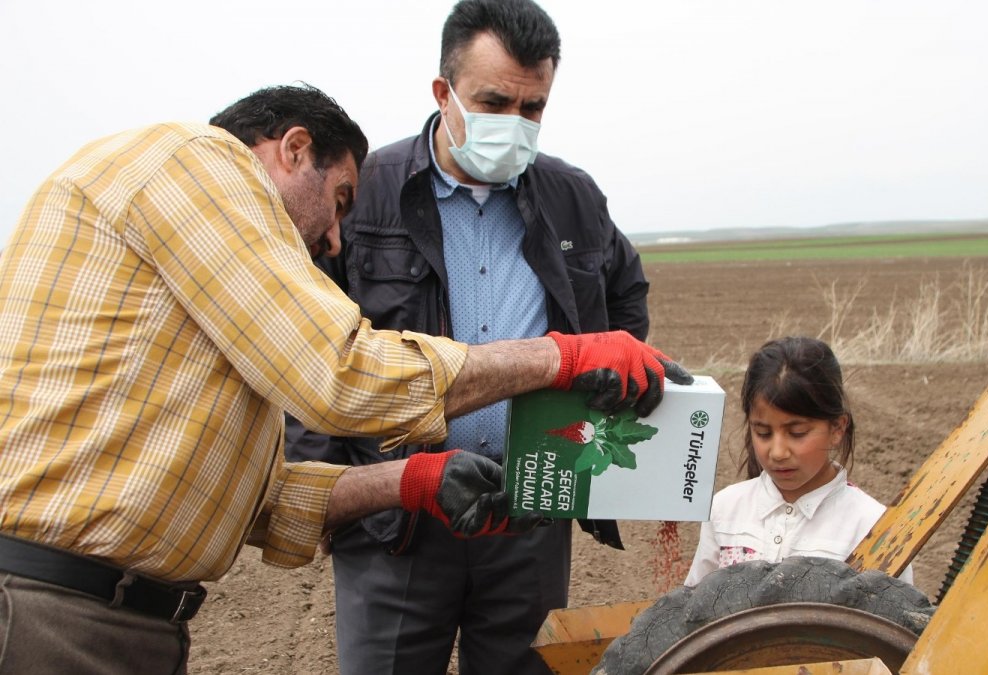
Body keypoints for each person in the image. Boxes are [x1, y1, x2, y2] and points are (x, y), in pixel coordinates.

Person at [0, 83, 689, 675]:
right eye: (339, 199)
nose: (334, 238)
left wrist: (412, 481)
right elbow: (341, 374)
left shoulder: (204, 306)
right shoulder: (196, 161)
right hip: (52, 609)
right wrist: (560, 357)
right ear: (294, 149)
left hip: (117, 615)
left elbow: (255, 502)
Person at [283, 2, 653, 673]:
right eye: (493, 102)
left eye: (533, 107)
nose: (514, 123)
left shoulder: (573, 197)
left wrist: (595, 409)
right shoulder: (367, 194)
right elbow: (303, 344)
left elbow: (625, 294)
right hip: (397, 518)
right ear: (443, 93)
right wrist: (334, 494)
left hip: (528, 510)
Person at [684, 336, 912, 587]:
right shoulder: (725, 510)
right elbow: (695, 603)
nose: (778, 452)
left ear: (837, 428)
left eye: (797, 433)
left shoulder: (872, 527)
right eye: (763, 433)